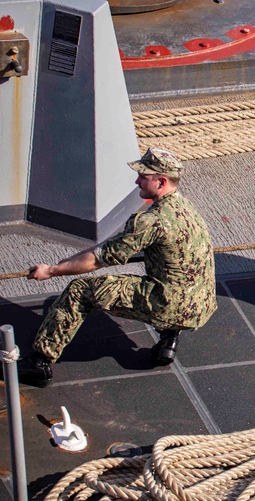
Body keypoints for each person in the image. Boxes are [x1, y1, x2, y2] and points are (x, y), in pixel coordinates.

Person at [18, 148, 217, 388]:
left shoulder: (151, 221)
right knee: (169, 278)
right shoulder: (186, 208)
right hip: (201, 303)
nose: (137, 180)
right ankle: (169, 340)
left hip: (171, 304)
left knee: (80, 290)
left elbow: (99, 260)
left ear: (161, 182)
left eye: (144, 176)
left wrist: (51, 271)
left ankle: (39, 363)